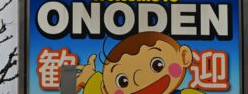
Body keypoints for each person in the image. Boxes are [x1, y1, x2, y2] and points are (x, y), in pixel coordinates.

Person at [75, 32, 203, 94]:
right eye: (122, 81)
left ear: (184, 57)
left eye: (157, 65)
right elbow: (66, 84)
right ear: (105, 90)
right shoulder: (97, 85)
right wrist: (84, 79)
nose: (139, 78)